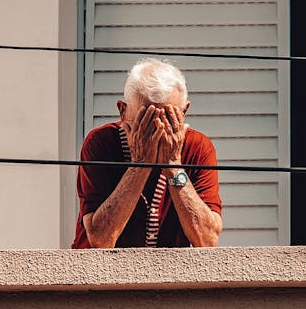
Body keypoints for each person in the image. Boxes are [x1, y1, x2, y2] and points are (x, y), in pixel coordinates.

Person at [72, 59, 223, 249]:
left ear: (184, 113)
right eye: (145, 122)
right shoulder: (100, 143)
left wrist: (173, 166)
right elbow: (101, 239)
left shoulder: (198, 147)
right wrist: (140, 164)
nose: (156, 132)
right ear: (123, 111)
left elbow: (206, 239)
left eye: (168, 120)